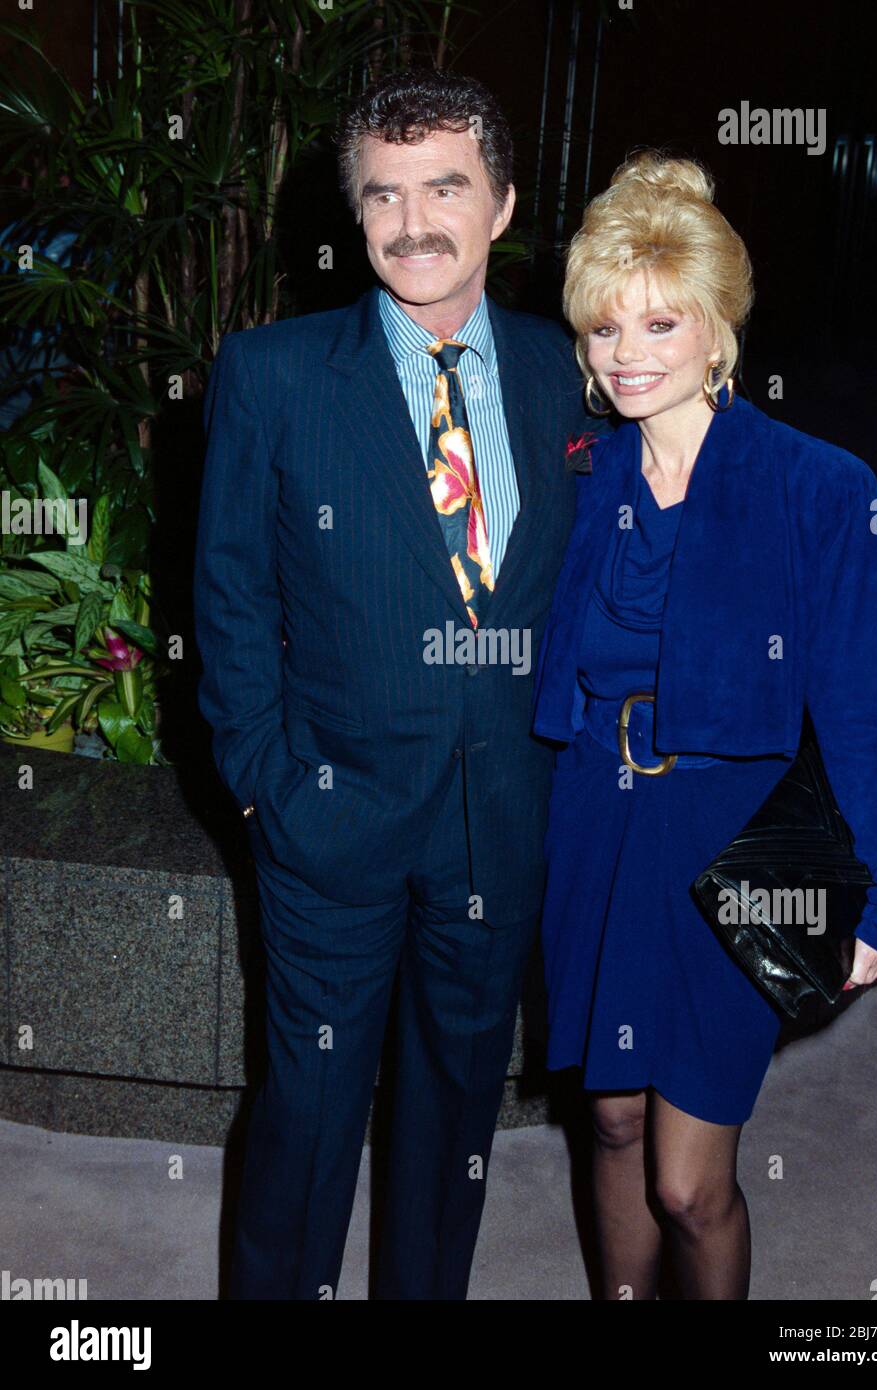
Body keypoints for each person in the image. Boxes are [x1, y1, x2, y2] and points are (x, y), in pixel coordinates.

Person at [194, 66, 604, 1300]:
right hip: (332, 813)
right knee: (307, 1111)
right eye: (384, 193)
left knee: (453, 1122)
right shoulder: (270, 374)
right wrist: (269, 786)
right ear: (355, 212)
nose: (413, 221)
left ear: (504, 203)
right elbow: (227, 598)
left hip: (505, 820)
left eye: (445, 187)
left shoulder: (568, 371)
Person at [530, 150, 877, 1300]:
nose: (628, 358)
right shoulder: (584, 478)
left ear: (717, 332)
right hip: (594, 828)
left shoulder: (817, 486)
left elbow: (859, 709)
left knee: (687, 1180)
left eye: (660, 326)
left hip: (731, 844)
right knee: (608, 1120)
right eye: (606, 331)